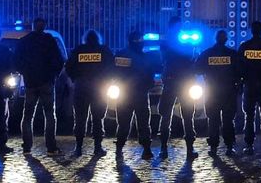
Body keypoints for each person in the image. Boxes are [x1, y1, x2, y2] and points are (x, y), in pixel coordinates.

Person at [15, 18, 65, 155]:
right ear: (44, 26)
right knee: (49, 115)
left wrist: (25, 74)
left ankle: (26, 147)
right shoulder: (49, 40)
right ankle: (51, 147)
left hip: (30, 83)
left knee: (27, 116)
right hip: (46, 82)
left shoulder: (24, 41)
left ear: (33, 26)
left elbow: (16, 61)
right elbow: (60, 60)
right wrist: (54, 76)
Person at [65, 29, 114, 157]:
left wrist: (75, 79)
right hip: (99, 89)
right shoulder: (104, 51)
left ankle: (78, 147)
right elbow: (111, 68)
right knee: (98, 118)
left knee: (80, 119)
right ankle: (98, 148)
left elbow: (68, 67)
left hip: (81, 88)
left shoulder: (78, 50)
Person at [114, 31, 160, 160]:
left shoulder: (120, 55)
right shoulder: (145, 58)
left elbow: (113, 72)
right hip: (140, 95)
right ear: (141, 43)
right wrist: (146, 87)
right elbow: (151, 78)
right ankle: (146, 150)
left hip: (124, 95)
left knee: (123, 123)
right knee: (143, 124)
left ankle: (119, 148)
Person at [158, 17, 198, 159]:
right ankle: (189, 150)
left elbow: (162, 60)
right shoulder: (184, 42)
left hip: (170, 82)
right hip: (184, 82)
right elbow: (193, 58)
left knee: (166, 116)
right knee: (187, 116)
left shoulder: (165, 42)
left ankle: (163, 149)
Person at [195, 30, 239, 157]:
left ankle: (213, 147)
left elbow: (197, 69)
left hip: (212, 92)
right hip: (228, 92)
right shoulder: (232, 54)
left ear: (216, 39)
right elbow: (241, 71)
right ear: (226, 39)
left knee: (213, 120)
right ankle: (229, 147)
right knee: (228, 120)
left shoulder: (207, 54)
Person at [237, 21, 261, 156]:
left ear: (251, 31)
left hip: (250, 86)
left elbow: (239, 67)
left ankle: (249, 145)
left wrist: (242, 83)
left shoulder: (244, 46)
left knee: (249, 117)